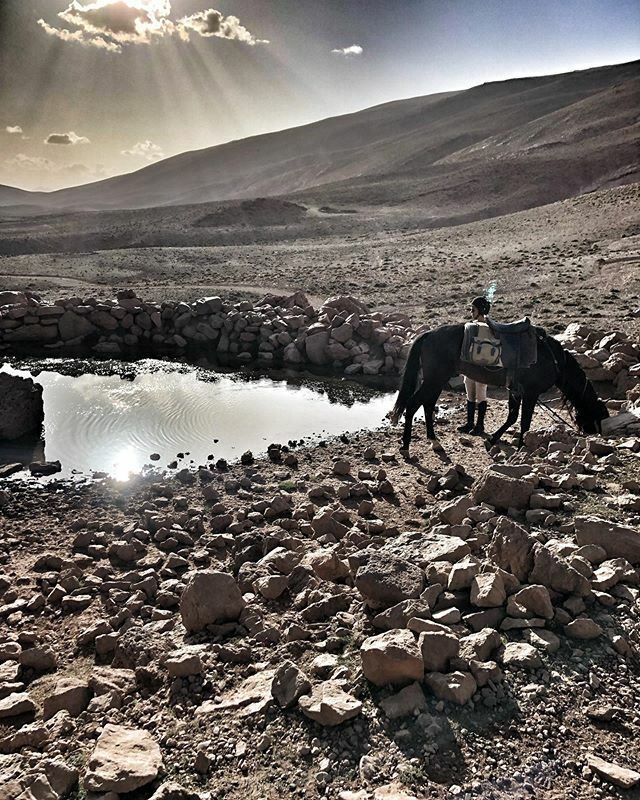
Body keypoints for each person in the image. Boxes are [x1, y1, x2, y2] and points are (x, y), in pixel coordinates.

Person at [458, 296, 491, 435]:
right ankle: (470, 423)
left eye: (473, 310)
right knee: (470, 395)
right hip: (471, 367)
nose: (471, 312)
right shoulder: (472, 326)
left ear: (480, 310)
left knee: (480, 395)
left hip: (481, 367)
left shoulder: (488, 327)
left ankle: (480, 425)